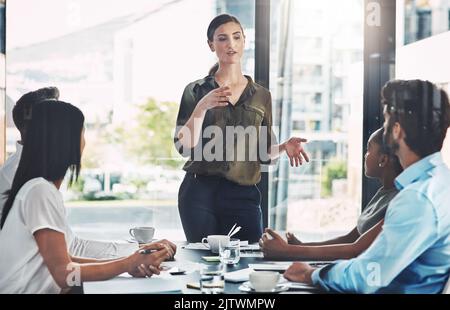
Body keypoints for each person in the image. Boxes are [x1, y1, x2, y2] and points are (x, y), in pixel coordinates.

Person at [284, 79, 450, 293]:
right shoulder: (440, 182)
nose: (385, 126)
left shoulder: (417, 198)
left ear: (397, 130)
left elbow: (369, 275)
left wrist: (311, 274)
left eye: (387, 120)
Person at [0, 100, 174, 293]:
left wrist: (130, 262)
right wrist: (127, 263)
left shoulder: (38, 188)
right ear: (66, 140)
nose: (85, 141)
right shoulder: (40, 192)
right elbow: (65, 274)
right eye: (82, 132)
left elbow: (67, 261)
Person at [174, 14, 309, 243]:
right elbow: (183, 146)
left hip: (243, 195)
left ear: (244, 41)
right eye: (223, 38)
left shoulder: (261, 96)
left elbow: (263, 154)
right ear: (211, 45)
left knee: (248, 263)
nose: (231, 44)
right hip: (199, 193)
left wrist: (284, 146)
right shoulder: (195, 91)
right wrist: (202, 107)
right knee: (205, 266)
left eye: (237, 37)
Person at [260, 128, 403, 260]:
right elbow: (350, 239)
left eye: (368, 149)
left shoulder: (399, 200)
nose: (365, 155)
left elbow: (354, 250)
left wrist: (288, 251)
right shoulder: (383, 193)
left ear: (383, 160)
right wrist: (298, 246)